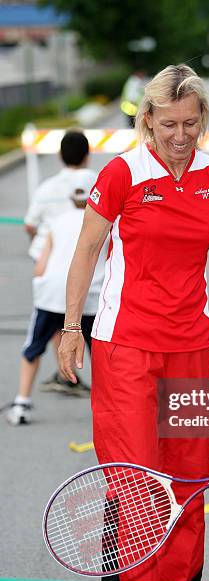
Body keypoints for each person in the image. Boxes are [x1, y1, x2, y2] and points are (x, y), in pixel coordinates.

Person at [57, 64, 209, 581]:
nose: (181, 135)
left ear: (202, 120)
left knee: (187, 481)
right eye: (169, 125)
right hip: (126, 347)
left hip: (191, 346)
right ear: (148, 122)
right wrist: (73, 327)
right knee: (136, 482)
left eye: (190, 123)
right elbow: (87, 250)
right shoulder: (123, 173)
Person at [7, 172, 106, 426]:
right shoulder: (106, 221)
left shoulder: (57, 221)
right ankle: (109, 409)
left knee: (33, 347)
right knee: (102, 356)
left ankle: (21, 401)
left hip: (52, 295)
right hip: (91, 296)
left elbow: (40, 266)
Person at [24, 130, 97, 396]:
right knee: (92, 330)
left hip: (52, 263)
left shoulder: (46, 188)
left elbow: (30, 225)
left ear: (59, 156)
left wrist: (43, 242)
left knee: (55, 319)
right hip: (92, 266)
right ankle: (100, 386)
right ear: (88, 155)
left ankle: (67, 373)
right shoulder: (100, 182)